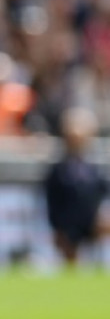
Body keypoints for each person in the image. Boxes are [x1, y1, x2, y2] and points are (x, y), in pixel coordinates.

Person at [44, 107, 110, 267]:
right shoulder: (57, 171)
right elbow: (51, 202)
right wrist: (57, 229)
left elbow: (103, 195)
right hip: (67, 228)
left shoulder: (95, 169)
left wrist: (103, 216)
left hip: (93, 225)